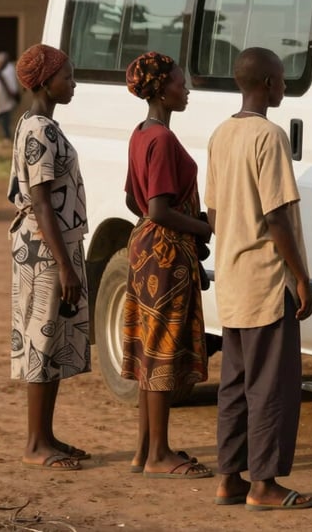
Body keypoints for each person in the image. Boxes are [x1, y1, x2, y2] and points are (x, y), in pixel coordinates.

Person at [205, 47, 312, 511]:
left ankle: (229, 477)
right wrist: (301, 277)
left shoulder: (220, 134)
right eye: (283, 79)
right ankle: (263, 484)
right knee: (270, 387)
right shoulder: (268, 137)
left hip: (232, 278)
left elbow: (212, 211)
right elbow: (277, 218)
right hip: (266, 281)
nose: (286, 86)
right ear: (268, 83)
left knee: (235, 384)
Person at [121, 51, 213, 479]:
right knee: (160, 350)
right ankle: (159, 454)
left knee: (148, 349)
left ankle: (146, 450)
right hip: (164, 254)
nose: (186, 88)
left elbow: (132, 200)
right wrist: (200, 226)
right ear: (161, 89)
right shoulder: (161, 140)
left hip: (146, 248)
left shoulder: (141, 133)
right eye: (179, 82)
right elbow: (159, 208)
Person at [9, 44, 91, 470]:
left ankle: (46, 436)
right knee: (42, 341)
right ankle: (35, 444)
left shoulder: (35, 124)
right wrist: (62, 263)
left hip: (52, 245)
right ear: (44, 81)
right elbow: (41, 201)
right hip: (46, 250)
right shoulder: (40, 128)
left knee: (54, 340)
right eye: (67, 77)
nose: (72, 83)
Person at [0, 51, 19, 155]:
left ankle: (8, 147)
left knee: (6, 127)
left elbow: (12, 89)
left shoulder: (9, 69)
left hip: (5, 106)